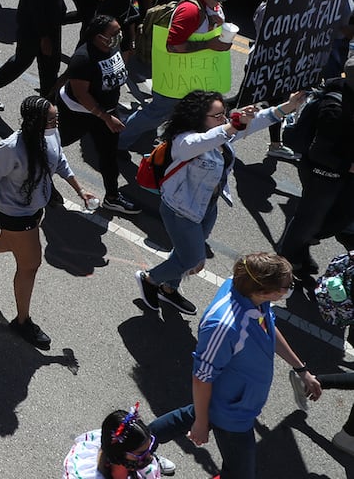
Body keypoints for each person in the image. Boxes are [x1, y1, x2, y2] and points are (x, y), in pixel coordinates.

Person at [135, 90, 305, 317]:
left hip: (207, 207)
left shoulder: (221, 133)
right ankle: (149, 279)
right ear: (198, 118)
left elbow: (256, 122)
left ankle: (169, 287)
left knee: (184, 254)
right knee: (193, 260)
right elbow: (209, 139)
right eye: (217, 116)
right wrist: (235, 123)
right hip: (181, 211)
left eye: (224, 114)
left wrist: (288, 106)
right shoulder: (185, 141)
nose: (223, 119)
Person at [149, 253, 319, 478]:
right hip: (232, 413)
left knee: (187, 416)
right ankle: (131, 445)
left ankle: (131, 442)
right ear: (263, 290)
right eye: (287, 286)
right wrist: (201, 423)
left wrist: (301, 369)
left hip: (230, 400)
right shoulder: (223, 327)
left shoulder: (249, 291)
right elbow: (202, 377)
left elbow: (268, 327)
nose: (289, 289)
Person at [0, 95, 97, 350]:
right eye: (52, 118)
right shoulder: (10, 148)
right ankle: (22, 321)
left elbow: (60, 161)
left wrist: (79, 190)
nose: (57, 121)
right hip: (13, 214)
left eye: (56, 117)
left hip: (35, 207)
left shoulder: (51, 133)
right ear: (36, 122)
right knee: (30, 264)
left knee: (8, 243)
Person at [118, 0, 236, 155]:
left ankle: (172, 149)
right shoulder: (189, 11)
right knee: (154, 115)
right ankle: (118, 142)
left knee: (186, 117)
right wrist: (209, 44)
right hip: (175, 79)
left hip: (194, 79)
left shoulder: (213, 6)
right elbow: (173, 46)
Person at [58, 14, 142, 215]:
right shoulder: (83, 59)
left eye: (118, 31)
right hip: (79, 112)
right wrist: (105, 117)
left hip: (106, 112)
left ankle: (112, 197)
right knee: (53, 144)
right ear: (98, 37)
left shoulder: (112, 48)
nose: (117, 35)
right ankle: (31, 171)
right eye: (113, 33)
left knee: (109, 155)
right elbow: (81, 94)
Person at [276, 76, 354, 282]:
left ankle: (300, 249)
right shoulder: (335, 109)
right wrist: (348, 166)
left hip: (343, 174)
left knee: (341, 218)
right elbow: (319, 153)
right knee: (308, 221)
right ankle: (284, 266)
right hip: (322, 173)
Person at [63, 405, 172, 479]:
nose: (150, 458)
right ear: (118, 454)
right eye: (141, 454)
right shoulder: (84, 473)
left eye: (149, 449)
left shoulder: (147, 469)